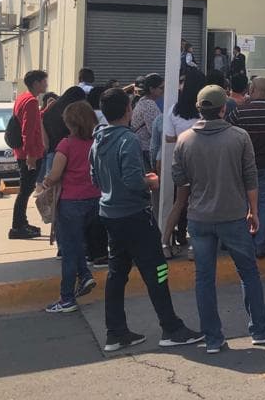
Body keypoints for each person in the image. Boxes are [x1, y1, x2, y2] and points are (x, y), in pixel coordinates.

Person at [166, 85, 265, 353]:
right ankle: (260, 328)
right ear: (223, 109)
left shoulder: (185, 139)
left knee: (204, 278)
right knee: (248, 273)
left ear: (199, 108)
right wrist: (254, 210)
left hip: (199, 217)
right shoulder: (239, 137)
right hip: (233, 215)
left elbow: (179, 178)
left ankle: (213, 338)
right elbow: (250, 176)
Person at [90, 88, 202, 352]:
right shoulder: (126, 140)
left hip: (110, 214)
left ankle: (115, 331)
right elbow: (132, 180)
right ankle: (171, 327)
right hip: (134, 215)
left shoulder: (98, 140)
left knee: (118, 273)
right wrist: (149, 182)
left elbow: (94, 179)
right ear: (128, 110)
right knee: (157, 270)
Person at [42, 101, 101, 313]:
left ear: (69, 123)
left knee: (68, 249)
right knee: (78, 245)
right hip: (93, 199)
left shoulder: (65, 145)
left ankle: (66, 298)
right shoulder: (96, 143)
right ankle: (84, 275)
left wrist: (44, 184)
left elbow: (55, 175)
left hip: (70, 202)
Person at [229, 77, 265, 259]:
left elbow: (228, 132)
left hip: (245, 164)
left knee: (245, 203)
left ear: (252, 89)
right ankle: (261, 244)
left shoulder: (240, 111)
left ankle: (245, 242)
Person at [163, 70, 208, 249]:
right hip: (203, 161)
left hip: (180, 160)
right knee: (199, 203)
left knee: (179, 202)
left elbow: (168, 138)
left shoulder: (174, 109)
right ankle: (192, 247)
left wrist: (182, 137)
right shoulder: (204, 110)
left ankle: (164, 242)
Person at [10, 69, 48, 239]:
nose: (46, 84)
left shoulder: (23, 98)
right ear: (36, 83)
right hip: (29, 154)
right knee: (25, 190)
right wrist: (31, 156)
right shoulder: (31, 101)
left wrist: (45, 110)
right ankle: (18, 226)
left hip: (24, 152)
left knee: (25, 189)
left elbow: (31, 120)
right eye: (43, 81)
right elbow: (28, 129)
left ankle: (21, 222)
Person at [40, 85, 87, 182]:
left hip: (52, 154)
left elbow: (45, 136)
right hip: (70, 154)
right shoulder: (70, 113)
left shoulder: (50, 110)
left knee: (52, 190)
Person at [131, 74, 163, 171]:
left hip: (141, 148)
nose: (163, 90)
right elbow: (155, 131)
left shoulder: (142, 101)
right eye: (161, 88)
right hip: (146, 150)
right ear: (151, 89)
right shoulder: (149, 104)